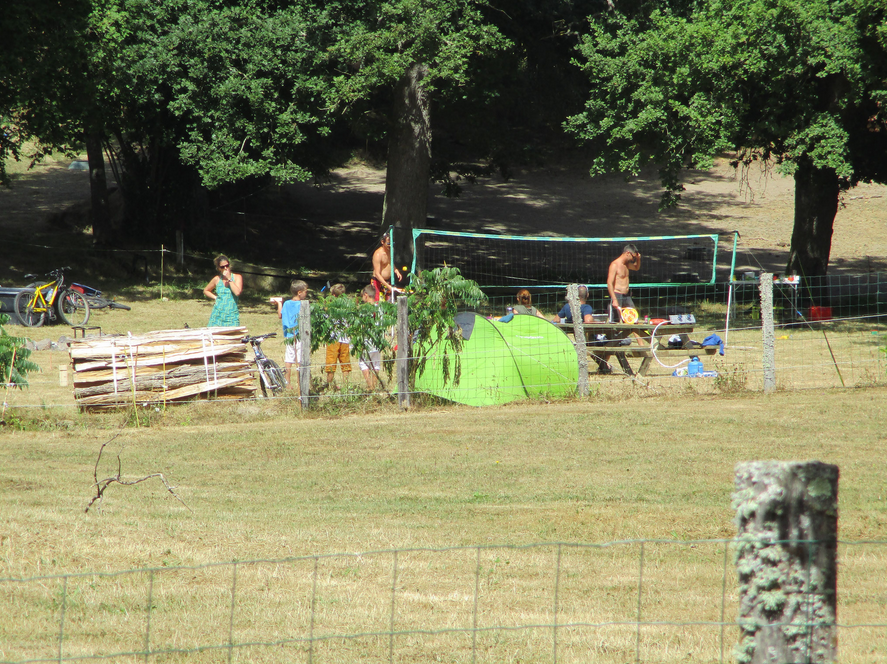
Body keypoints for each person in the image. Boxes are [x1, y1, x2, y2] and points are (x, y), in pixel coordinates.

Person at [276, 280, 308, 388]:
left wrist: (279, 303)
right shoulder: (303, 304)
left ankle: (287, 382)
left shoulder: (286, 303)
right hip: (300, 335)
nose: (306, 293)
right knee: (300, 360)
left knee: (289, 359)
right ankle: (300, 382)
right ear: (299, 292)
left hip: (289, 335)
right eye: (305, 291)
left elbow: (280, 315)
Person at [324, 283, 352, 390]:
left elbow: (325, 319)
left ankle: (329, 386)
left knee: (331, 364)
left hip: (333, 338)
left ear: (334, 295)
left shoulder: (330, 307)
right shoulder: (348, 306)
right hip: (345, 339)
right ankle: (346, 386)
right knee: (345, 365)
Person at [204, 255, 243, 326]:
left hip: (231, 317)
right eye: (222, 267)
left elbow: (237, 292)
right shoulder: (217, 279)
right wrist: (215, 298)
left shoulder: (237, 277)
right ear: (219, 268)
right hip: (217, 316)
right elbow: (206, 290)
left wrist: (229, 278)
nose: (225, 268)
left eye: (227, 266)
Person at [607, 244, 641, 322]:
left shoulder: (627, 265)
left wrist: (638, 259)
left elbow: (636, 267)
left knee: (633, 318)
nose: (633, 260)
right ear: (628, 253)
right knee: (616, 321)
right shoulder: (615, 265)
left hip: (626, 295)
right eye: (633, 257)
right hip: (617, 294)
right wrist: (614, 299)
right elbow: (609, 283)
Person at [358, 284, 384, 390]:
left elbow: (362, 326)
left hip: (366, 340)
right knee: (375, 363)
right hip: (377, 341)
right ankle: (374, 386)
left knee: (363, 363)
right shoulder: (380, 308)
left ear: (366, 295)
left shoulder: (363, 309)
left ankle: (370, 386)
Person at [371, 232, 402, 302]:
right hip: (378, 282)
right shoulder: (378, 254)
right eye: (388, 243)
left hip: (387, 281)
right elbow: (377, 274)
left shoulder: (391, 250)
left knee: (388, 302)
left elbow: (390, 263)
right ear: (382, 242)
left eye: (392, 243)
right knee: (378, 302)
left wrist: (396, 270)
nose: (390, 245)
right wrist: (388, 287)